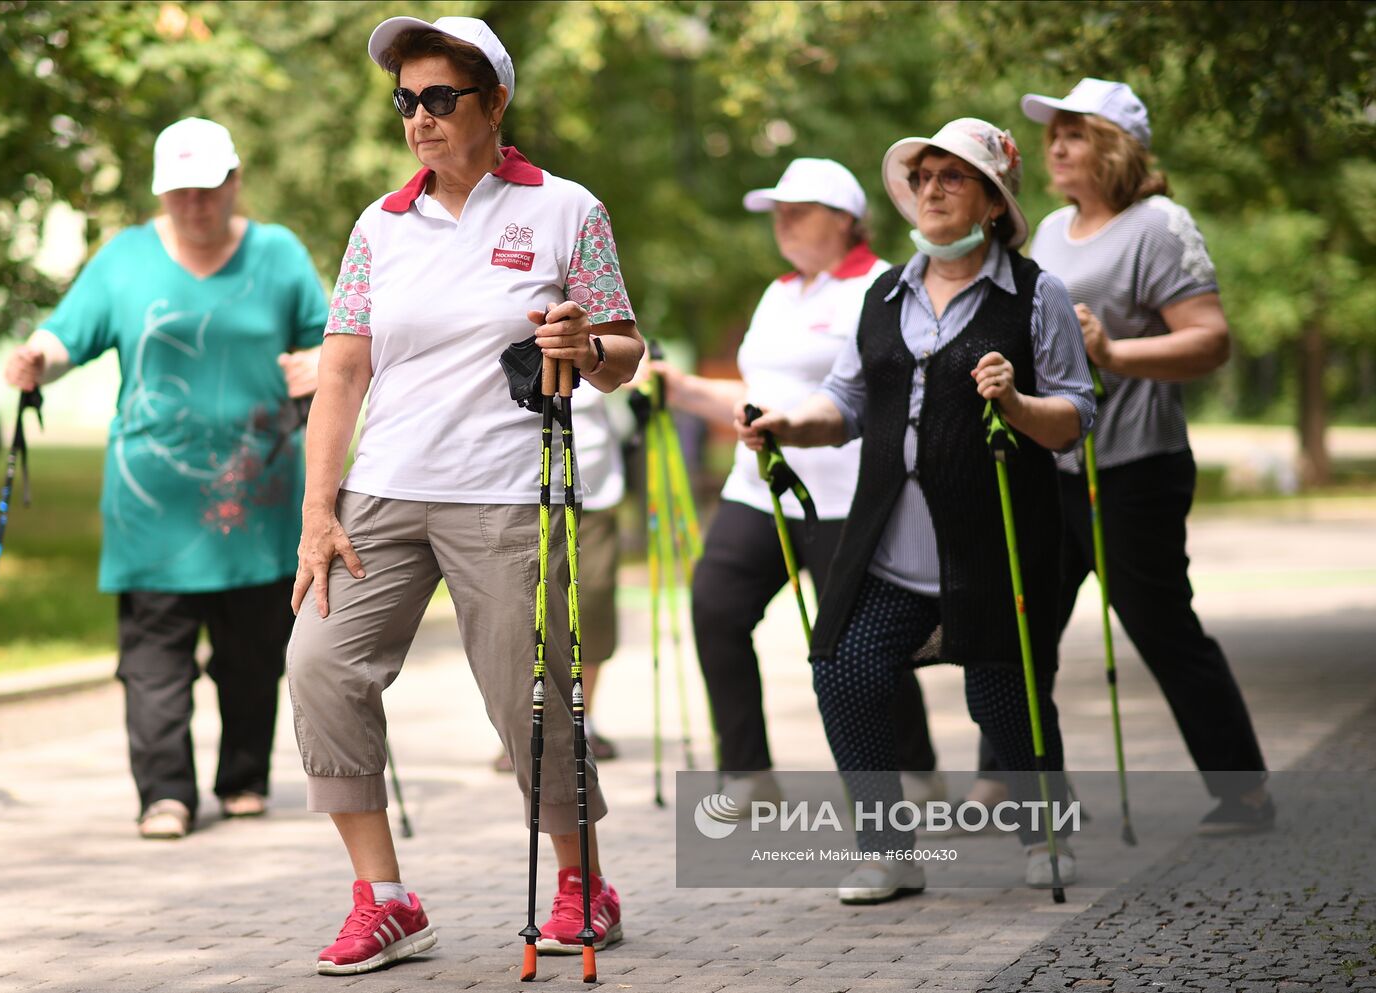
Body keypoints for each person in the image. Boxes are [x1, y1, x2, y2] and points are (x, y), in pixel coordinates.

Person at [285, 15, 643, 976]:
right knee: (320, 662)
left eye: (440, 98)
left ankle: (583, 882)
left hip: (507, 495)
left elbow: (623, 353)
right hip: (383, 493)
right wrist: (320, 512)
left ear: (494, 101)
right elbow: (344, 373)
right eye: (406, 101)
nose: (420, 119)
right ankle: (387, 899)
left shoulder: (568, 210)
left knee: (530, 698)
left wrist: (585, 348)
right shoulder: (379, 224)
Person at [740, 119, 1095, 898]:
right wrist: (788, 425)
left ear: (995, 202)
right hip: (889, 543)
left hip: (993, 536)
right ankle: (886, 849)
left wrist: (1018, 401)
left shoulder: (1038, 295)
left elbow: (1075, 413)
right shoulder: (884, 292)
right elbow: (845, 402)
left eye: (953, 177)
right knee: (844, 666)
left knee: (1002, 689)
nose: (931, 189)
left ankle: (1046, 829)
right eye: (923, 176)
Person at [3, 117, 326, 840]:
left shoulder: (278, 254)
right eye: (179, 191)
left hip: (259, 498)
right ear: (161, 192)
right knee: (154, 663)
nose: (195, 204)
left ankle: (242, 777)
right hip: (153, 503)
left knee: (251, 658)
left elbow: (332, 339)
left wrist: (320, 366)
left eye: (209, 188)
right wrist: (36, 359)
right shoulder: (124, 258)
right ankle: (165, 794)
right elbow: (66, 335)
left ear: (234, 182)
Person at [971, 78, 1270, 832]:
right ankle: (1007, 782)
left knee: (1160, 624)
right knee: (1019, 625)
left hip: (1133, 468)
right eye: (1054, 135)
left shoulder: (1158, 224)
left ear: (1117, 145)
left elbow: (1211, 339)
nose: (1058, 147)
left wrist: (1113, 350)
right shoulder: (1046, 234)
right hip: (1054, 463)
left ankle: (1245, 791)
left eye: (1077, 132)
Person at [646, 158, 942, 816]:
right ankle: (747, 771)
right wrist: (680, 387)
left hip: (850, 499)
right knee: (716, 607)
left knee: (861, 643)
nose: (782, 220)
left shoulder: (885, 287)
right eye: (776, 209)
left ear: (845, 219)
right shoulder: (779, 293)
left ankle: (916, 769)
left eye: (798, 208)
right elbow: (758, 394)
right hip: (760, 489)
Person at [493, 385, 626, 771]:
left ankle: (584, 720)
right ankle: (523, 724)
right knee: (524, 609)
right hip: (521, 492)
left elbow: (629, 366)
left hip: (595, 491)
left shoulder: (604, 323)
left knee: (592, 604)